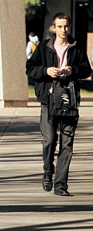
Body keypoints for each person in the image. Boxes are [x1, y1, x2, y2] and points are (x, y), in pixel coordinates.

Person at [26, 12, 91, 196]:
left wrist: (73, 70)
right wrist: (47, 70)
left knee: (67, 144)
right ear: (54, 27)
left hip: (69, 100)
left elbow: (86, 70)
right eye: (60, 26)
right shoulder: (44, 47)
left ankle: (61, 185)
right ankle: (48, 171)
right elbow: (29, 68)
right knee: (49, 140)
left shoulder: (76, 47)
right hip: (49, 99)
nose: (63, 30)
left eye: (66, 26)